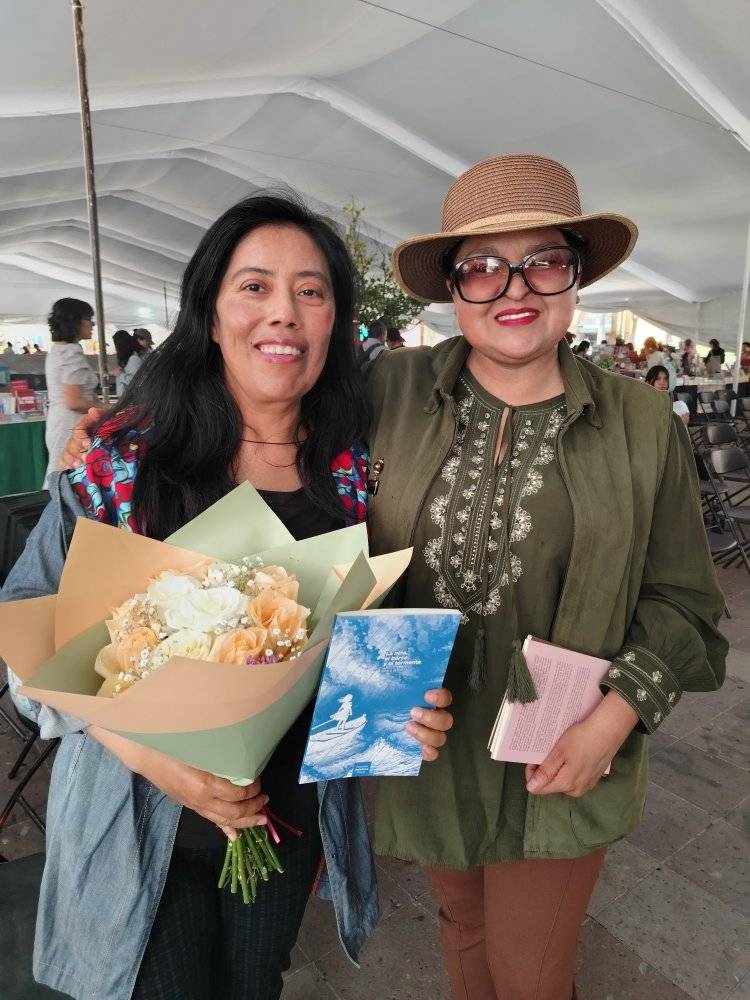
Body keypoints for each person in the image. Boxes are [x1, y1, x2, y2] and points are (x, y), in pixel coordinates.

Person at [3, 196, 453, 1000]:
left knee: (255, 985)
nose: (284, 312)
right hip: (136, 821)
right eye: (255, 286)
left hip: (289, 817)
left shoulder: (356, 471)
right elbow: (26, 633)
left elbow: (364, 651)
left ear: (336, 324)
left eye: (312, 292)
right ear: (210, 313)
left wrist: (402, 711)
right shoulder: (125, 461)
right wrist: (152, 757)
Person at [364, 153, 726, 1000]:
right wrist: (125, 427)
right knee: (462, 931)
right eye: (482, 268)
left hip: (563, 750)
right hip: (427, 746)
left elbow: (686, 601)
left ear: (576, 276)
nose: (512, 288)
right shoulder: (389, 388)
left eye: (543, 261)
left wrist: (612, 722)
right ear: (453, 290)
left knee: (530, 974)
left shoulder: (639, 418)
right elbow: (263, 422)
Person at [43, 298, 99, 485]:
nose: (92, 323)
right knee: (66, 475)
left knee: (62, 473)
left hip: (60, 420)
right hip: (70, 422)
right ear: (75, 321)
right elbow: (74, 401)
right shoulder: (70, 351)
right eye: (88, 318)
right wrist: (107, 407)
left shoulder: (58, 350)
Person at [112, 328, 137, 396]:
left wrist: (120, 374)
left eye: (116, 345)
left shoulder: (134, 359)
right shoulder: (127, 360)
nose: (116, 349)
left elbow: (136, 381)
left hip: (131, 401)